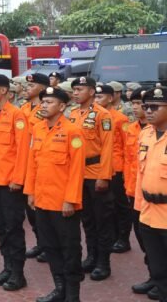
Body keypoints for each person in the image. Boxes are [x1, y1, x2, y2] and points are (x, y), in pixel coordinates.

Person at [24, 87, 85, 302]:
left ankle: (72, 294)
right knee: (50, 247)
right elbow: (32, 164)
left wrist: (70, 200)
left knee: (69, 248)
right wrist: (30, 192)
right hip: (42, 199)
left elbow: (77, 170)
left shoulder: (73, 132)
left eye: (50, 102)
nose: (44, 105)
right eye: (43, 101)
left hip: (63, 203)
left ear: (62, 106)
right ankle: (59, 288)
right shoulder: (38, 129)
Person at [0, 74, 30, 291]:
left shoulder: (17, 115)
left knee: (13, 227)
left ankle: (18, 273)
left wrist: (18, 180)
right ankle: (7, 267)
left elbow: (22, 151)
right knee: (0, 226)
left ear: (3, 91)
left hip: (10, 182)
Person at [70, 76, 115, 281]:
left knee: (102, 220)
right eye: (74, 90)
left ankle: (103, 262)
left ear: (91, 92)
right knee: (87, 219)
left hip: (96, 172)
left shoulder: (102, 115)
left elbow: (107, 147)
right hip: (78, 174)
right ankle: (91, 256)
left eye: (80, 89)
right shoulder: (71, 114)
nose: (76, 93)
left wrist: (104, 176)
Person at [134, 87, 167, 302]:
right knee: (157, 269)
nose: (148, 111)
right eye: (146, 107)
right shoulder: (145, 133)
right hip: (147, 212)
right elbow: (140, 173)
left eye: (155, 107)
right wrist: (138, 206)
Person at [126, 88, 157, 298]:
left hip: (159, 201)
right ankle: (154, 276)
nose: (142, 109)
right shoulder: (138, 131)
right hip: (137, 194)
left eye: (146, 105)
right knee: (146, 243)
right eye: (138, 104)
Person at [96, 83, 133, 253]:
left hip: (117, 166)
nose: (97, 100)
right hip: (102, 166)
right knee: (106, 206)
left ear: (110, 98)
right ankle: (112, 236)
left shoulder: (120, 118)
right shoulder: (95, 116)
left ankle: (123, 238)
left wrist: (126, 171)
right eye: (95, 97)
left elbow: (127, 146)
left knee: (120, 205)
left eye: (100, 97)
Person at [21, 73, 51, 262]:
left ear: (42, 89)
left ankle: (48, 245)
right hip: (24, 164)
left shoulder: (45, 109)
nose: (27, 88)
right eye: (27, 85)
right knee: (30, 210)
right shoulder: (23, 108)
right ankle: (41, 242)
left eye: (31, 86)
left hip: (40, 162)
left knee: (42, 210)